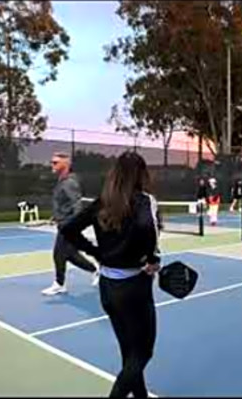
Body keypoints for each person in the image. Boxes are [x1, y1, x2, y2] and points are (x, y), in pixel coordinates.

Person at [60, 151, 161, 398]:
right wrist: (153, 259)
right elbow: (148, 231)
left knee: (129, 352)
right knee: (143, 352)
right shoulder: (146, 201)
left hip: (107, 289)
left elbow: (68, 229)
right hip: (135, 288)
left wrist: (96, 252)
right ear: (141, 174)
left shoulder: (102, 202)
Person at [42, 152, 98, 296]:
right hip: (63, 222)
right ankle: (96, 270)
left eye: (55, 163)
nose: (52, 165)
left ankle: (59, 284)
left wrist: (73, 225)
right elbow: (64, 203)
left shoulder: (69, 183)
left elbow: (76, 205)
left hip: (68, 225)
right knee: (71, 255)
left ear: (65, 165)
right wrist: (56, 216)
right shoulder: (62, 181)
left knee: (58, 254)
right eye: (51, 162)